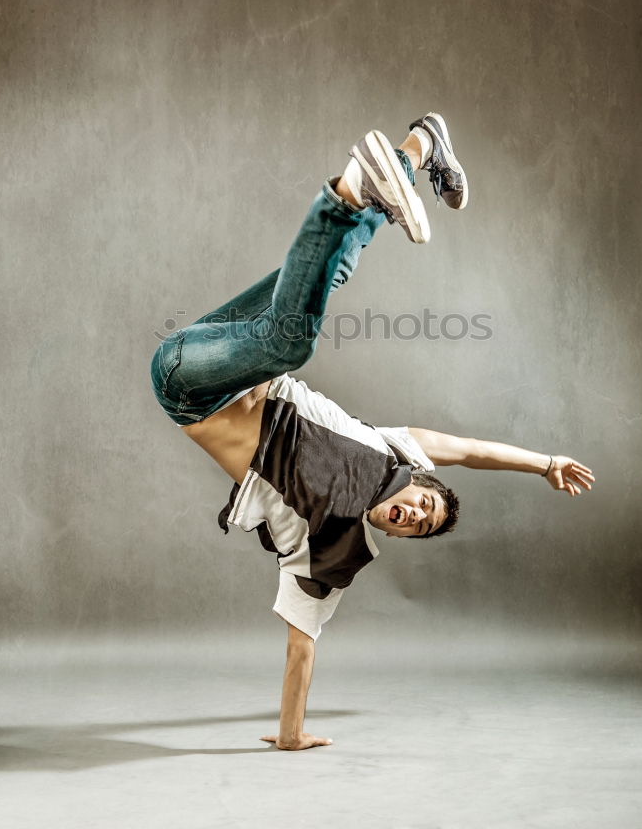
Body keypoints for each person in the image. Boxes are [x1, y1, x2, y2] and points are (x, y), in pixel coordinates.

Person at [150, 112, 595, 751]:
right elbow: (469, 450)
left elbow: (300, 651)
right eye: (426, 501)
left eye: (420, 524)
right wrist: (544, 461)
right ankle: (421, 146)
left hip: (187, 383)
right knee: (320, 286)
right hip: (230, 352)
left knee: (292, 336)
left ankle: (354, 189)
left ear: (395, 532)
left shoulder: (328, 554)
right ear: (418, 482)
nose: (416, 512)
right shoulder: (393, 450)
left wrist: (291, 735)